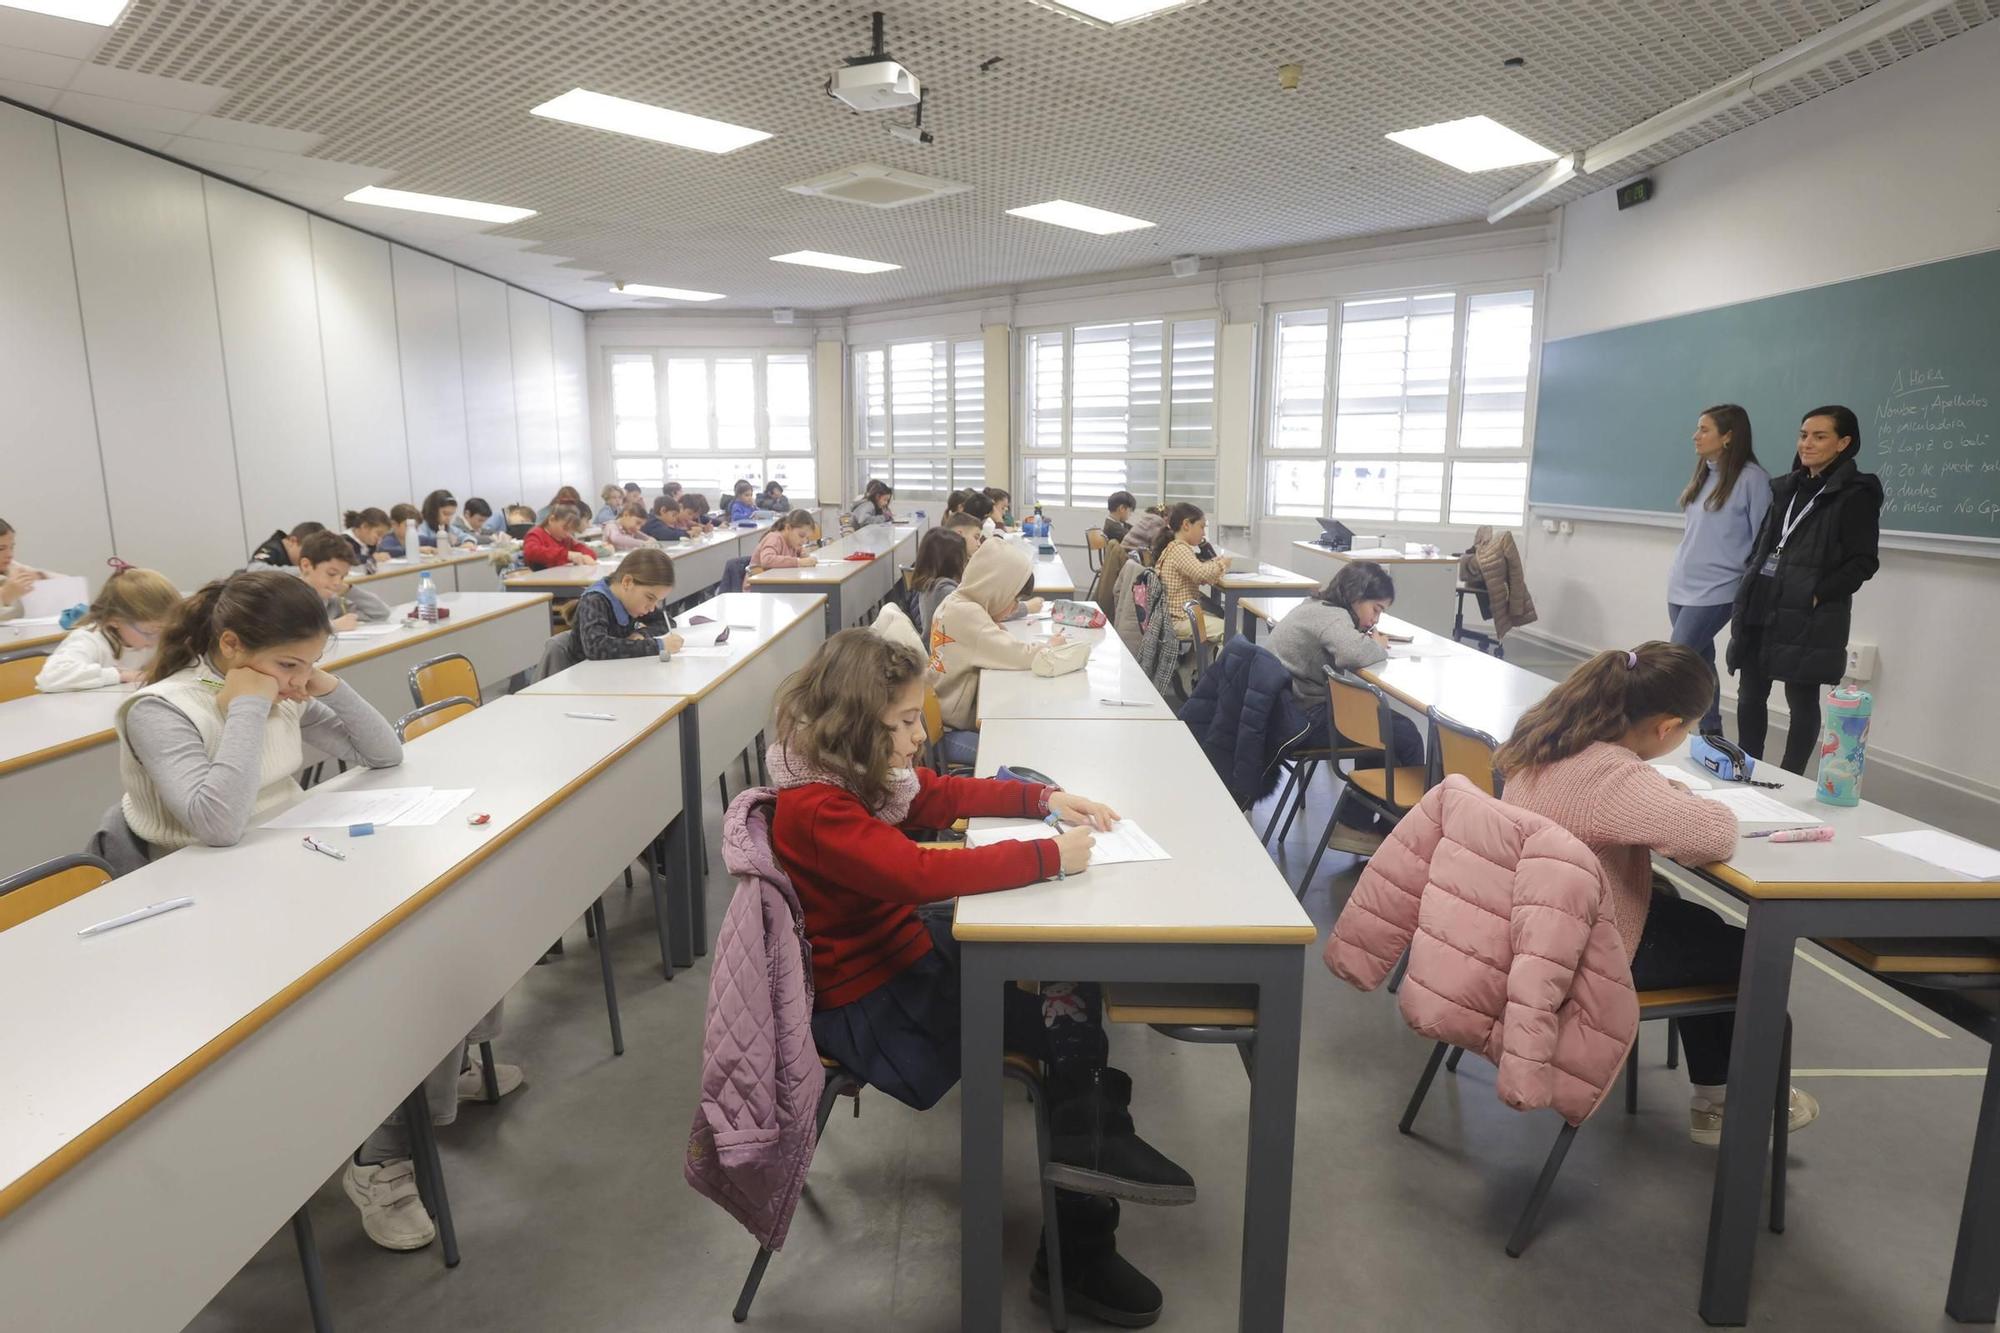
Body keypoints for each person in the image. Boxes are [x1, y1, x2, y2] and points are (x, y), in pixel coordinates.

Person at [769, 629, 1189, 1324]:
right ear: (852, 722)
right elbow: (914, 872)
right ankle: (1080, 1237)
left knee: (1063, 981)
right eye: (903, 724)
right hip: (874, 1000)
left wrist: (1044, 800)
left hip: (896, 953)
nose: (916, 739)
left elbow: (930, 795)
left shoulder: (838, 770)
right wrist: (1047, 857)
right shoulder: (816, 806)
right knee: (1060, 1017)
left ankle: (1093, 1131)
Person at [1499, 641, 1822, 1144]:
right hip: (1584, 953)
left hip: (1530, 929)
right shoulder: (1611, 774)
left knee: (1700, 929)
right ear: (1666, 728)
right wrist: (1677, 795)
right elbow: (1709, 836)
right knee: (1747, 955)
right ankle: (1735, 1102)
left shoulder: (1547, 738)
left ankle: (1716, 1093)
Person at [1727, 405, 1882, 774]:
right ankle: (1748, 766)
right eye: (1803, 435)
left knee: (1801, 696)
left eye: (1819, 436)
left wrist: (1816, 594)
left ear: (1844, 443)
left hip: (1809, 610)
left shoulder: (1855, 493)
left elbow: (1863, 562)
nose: (1807, 444)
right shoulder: (1786, 487)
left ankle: (1790, 774)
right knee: (1750, 692)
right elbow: (1765, 543)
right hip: (1763, 600)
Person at [1269, 561, 1424, 851]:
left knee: (1382, 726)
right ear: (1356, 596)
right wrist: (1376, 644)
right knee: (1402, 734)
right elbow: (1353, 652)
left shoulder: (1314, 606)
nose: (1376, 619)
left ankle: (1357, 823)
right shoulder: (1333, 618)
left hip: (1285, 711)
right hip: (1300, 720)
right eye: (1376, 609)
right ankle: (1396, 837)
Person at [1667, 405, 1771, 736]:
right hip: (1682, 585)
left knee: (1678, 659)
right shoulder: (1705, 473)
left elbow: (1763, 542)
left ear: (1728, 436)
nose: (1695, 436)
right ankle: (1711, 733)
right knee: (1700, 660)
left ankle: (1669, 730)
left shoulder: (1753, 480)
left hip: (1719, 588)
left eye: (1704, 429)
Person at [928, 540, 1070, 767]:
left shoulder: (955, 602)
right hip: (948, 734)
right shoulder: (969, 616)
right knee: (1020, 756)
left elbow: (982, 642)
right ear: (995, 588)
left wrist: (989, 625)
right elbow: (1019, 655)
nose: (1014, 607)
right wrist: (1051, 646)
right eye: (1013, 599)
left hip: (939, 721)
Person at [35, 564, 180, 692]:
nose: (157, 640)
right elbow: (50, 677)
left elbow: (198, 676)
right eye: (150, 632)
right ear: (114, 621)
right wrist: (120, 675)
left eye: (164, 630)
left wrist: (203, 682)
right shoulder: (90, 639)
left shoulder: (157, 636)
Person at [568, 548, 682, 660]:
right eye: (650, 598)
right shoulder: (594, 600)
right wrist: (658, 646)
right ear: (627, 582)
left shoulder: (630, 602)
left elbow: (666, 622)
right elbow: (596, 647)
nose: (652, 608)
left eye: (657, 601)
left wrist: (642, 634)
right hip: (585, 674)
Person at [1150, 503, 1230, 643]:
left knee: (1217, 618)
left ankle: (1198, 664)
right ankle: (1219, 665)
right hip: (1178, 619)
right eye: (1201, 526)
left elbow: (1198, 572)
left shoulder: (1176, 547)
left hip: (1176, 616)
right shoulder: (1180, 549)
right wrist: (1222, 564)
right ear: (1186, 525)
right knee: (1229, 630)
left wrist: (1213, 565)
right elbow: (1201, 574)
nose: (1204, 533)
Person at [295, 531, 391, 629]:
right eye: (331, 574)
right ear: (306, 566)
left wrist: (349, 590)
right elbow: (291, 633)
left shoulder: (333, 601)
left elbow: (381, 613)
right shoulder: (286, 598)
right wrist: (333, 626)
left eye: (342, 577)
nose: (337, 582)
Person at [908, 526, 969, 640]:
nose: (965, 562)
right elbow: (972, 617)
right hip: (941, 653)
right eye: (963, 557)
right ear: (952, 561)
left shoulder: (930, 585)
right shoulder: (943, 591)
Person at [522, 506, 596, 570]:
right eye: (565, 528)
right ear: (552, 519)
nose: (568, 533)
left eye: (571, 530)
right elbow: (531, 552)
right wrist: (567, 555)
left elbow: (581, 548)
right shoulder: (535, 534)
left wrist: (586, 556)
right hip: (538, 582)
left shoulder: (565, 538)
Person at [752, 510, 819, 571]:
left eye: (807, 538)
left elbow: (799, 551)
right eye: (801, 535)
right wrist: (798, 562)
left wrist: (802, 553)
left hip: (775, 581)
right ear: (788, 528)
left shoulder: (792, 542)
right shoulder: (774, 538)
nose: (804, 541)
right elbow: (767, 560)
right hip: (756, 583)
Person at [247, 520, 327, 570]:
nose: (311, 560)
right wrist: (304, 571)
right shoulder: (269, 549)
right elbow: (253, 569)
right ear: (293, 541)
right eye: (307, 553)